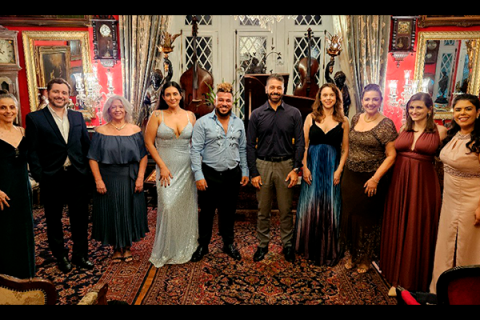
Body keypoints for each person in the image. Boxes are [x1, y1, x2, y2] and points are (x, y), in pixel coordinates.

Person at [380, 92, 447, 292]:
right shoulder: (403, 128)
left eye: (419, 107)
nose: (414, 111)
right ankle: (394, 276)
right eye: (411, 107)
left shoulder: (441, 131)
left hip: (424, 185)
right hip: (400, 182)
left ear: (429, 109)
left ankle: (411, 280)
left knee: (417, 226)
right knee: (399, 223)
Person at [25, 78, 93, 273]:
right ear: (48, 93)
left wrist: (86, 170)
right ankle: (61, 256)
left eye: (64, 93)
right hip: (51, 177)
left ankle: (80, 255)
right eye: (56, 92)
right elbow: (33, 151)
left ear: (68, 96)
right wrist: (40, 175)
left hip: (77, 175)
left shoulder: (77, 117)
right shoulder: (35, 118)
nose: (60, 96)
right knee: (53, 220)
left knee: (79, 218)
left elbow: (85, 146)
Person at [246, 73, 305, 263]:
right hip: (262, 165)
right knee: (263, 210)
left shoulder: (294, 113)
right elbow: (249, 145)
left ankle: (287, 245)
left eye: (278, 88)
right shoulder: (256, 114)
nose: (275, 91)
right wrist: (253, 172)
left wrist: (296, 168)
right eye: (272, 87)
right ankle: (263, 245)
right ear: (266, 89)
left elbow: (300, 144)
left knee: (286, 210)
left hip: (286, 166)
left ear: (283, 90)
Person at [340, 83, 397, 274]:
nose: (370, 103)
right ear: (362, 101)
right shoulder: (356, 118)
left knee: (367, 220)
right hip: (351, 177)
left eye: (375, 99)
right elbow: (348, 147)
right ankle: (353, 255)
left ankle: (365, 258)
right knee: (350, 217)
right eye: (367, 99)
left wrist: (375, 179)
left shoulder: (386, 124)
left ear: (380, 101)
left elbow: (391, 155)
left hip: (370, 179)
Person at [190, 82, 249, 262]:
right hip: (209, 174)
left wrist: (245, 171)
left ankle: (228, 243)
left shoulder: (239, 123)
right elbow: (195, 150)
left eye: (228, 100)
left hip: (232, 174)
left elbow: (243, 149)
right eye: (221, 100)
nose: (224, 103)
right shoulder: (202, 123)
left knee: (228, 211)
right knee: (207, 211)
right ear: (215, 101)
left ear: (233, 102)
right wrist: (198, 175)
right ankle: (203, 245)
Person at [87, 95, 149, 263]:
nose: (117, 110)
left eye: (120, 107)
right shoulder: (100, 131)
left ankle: (127, 246)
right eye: (113, 107)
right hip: (107, 178)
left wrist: (140, 178)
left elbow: (143, 156)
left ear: (126, 109)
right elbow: (92, 158)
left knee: (129, 211)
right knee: (112, 211)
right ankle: (115, 247)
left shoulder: (135, 130)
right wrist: (98, 180)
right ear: (108, 110)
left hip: (130, 177)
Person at [429, 94, 480, 294]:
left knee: (469, 248)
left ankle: (467, 294)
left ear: (477, 112)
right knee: (446, 245)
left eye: (468, 109)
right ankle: (441, 291)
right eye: (458, 109)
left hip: (472, 200)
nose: (462, 113)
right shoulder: (452, 136)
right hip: (449, 200)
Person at [294, 83, 349, 267]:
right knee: (311, 204)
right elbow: (304, 145)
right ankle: (309, 246)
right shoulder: (310, 117)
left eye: (331, 95)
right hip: (313, 167)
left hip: (332, 168)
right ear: (320, 98)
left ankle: (327, 248)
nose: (328, 98)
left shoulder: (344, 121)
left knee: (330, 206)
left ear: (336, 99)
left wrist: (339, 170)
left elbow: (345, 149)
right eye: (324, 95)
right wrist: (305, 167)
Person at [145, 81, 198, 268]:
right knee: (167, 206)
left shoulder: (191, 115)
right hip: (166, 168)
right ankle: (167, 249)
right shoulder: (157, 115)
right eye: (168, 95)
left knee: (184, 208)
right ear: (163, 97)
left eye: (175, 94)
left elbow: (196, 143)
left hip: (187, 168)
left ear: (181, 95)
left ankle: (186, 246)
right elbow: (149, 143)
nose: (172, 98)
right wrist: (162, 166)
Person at [0, 92, 36, 278]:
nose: (8, 111)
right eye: (3, 107)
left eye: (11, 107)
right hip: (2, 191)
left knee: (24, 230)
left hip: (23, 189)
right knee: (5, 232)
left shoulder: (22, 131)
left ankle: (26, 274)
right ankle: (7, 278)